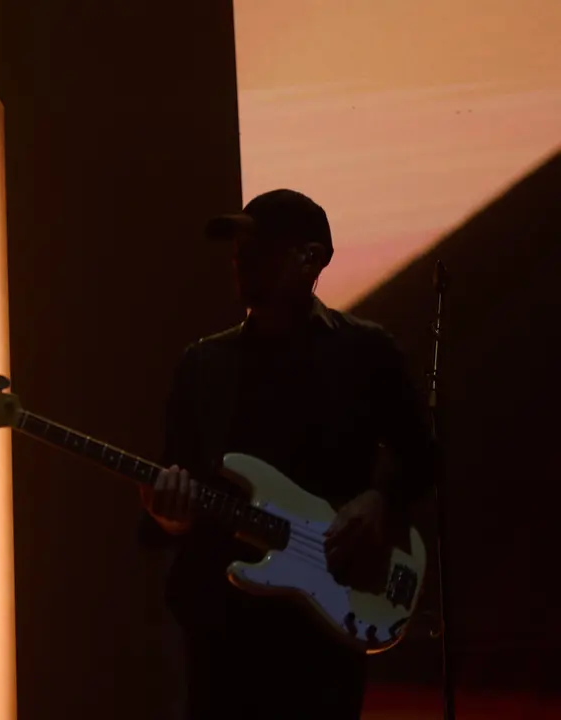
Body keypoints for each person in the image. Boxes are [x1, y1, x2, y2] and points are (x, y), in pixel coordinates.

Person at [139, 189, 440, 719]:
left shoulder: (366, 351)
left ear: (312, 258)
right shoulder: (203, 365)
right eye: (238, 246)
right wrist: (167, 515)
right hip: (222, 622)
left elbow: (424, 459)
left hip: (327, 619)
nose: (240, 257)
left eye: (259, 245)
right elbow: (174, 486)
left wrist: (378, 500)